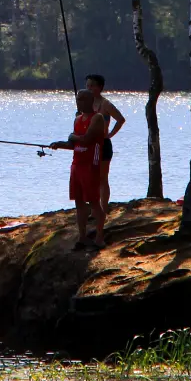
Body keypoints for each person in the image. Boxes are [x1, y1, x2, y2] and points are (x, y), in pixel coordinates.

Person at [49, 89, 107, 249]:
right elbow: (74, 144)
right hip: (77, 164)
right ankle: (82, 238)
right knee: (79, 202)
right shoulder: (77, 120)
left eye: (82, 99)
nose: (79, 102)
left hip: (91, 165)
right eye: (77, 99)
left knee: (94, 202)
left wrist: (72, 136)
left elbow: (87, 140)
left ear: (90, 101)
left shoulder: (98, 118)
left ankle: (100, 237)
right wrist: (60, 144)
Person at [87, 72, 125, 215]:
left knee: (102, 178)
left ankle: (103, 208)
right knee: (90, 177)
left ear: (100, 87)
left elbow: (120, 119)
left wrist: (110, 134)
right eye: (88, 86)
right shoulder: (85, 104)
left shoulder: (105, 104)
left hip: (103, 144)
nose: (89, 89)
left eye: (92, 86)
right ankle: (93, 207)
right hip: (89, 144)